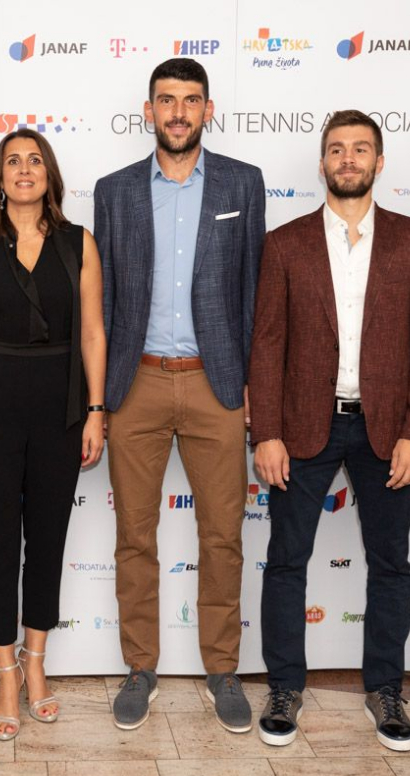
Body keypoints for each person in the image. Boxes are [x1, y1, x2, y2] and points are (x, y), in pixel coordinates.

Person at [248, 111, 410, 750]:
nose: (349, 159)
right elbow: (267, 344)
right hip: (303, 428)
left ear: (379, 162)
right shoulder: (286, 243)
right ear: (323, 163)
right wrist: (266, 432)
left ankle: (385, 690)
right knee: (286, 561)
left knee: (391, 564)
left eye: (361, 149)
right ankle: (284, 688)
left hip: (389, 433)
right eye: (337, 149)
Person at [93, 57, 265, 733]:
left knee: (222, 535)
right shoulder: (114, 191)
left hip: (214, 381)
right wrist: (100, 397)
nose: (178, 112)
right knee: (134, 537)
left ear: (208, 110)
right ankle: (141, 667)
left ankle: (222, 669)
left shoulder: (242, 182)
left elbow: (253, 291)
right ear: (149, 111)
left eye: (191, 100)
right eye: (166, 100)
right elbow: (103, 299)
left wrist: (253, 384)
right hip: (134, 381)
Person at [0, 129, 106, 740]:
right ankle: (5, 674)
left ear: (50, 174)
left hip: (61, 402)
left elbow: (93, 333)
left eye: (35, 160)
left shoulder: (79, 242)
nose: (24, 169)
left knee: (47, 536)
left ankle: (36, 663)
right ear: (0, 178)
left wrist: (96, 410)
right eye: (13, 161)